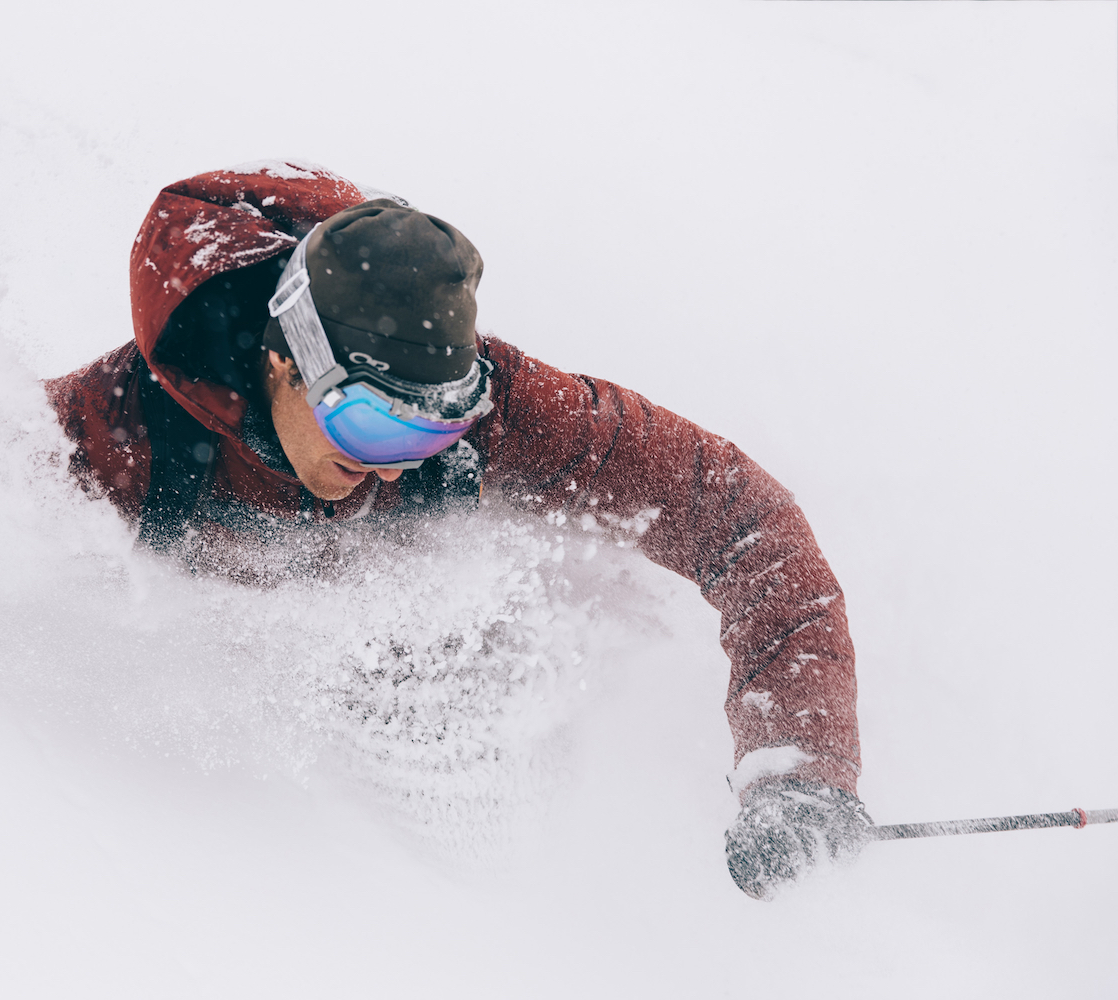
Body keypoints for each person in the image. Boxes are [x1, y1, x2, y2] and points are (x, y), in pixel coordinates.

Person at [45, 160, 873, 898]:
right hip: (222, 799)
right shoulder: (114, 437)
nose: (396, 469)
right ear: (285, 363)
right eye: (374, 429)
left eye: (433, 433)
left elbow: (739, 517)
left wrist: (799, 765)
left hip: (431, 734)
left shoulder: (503, 412)